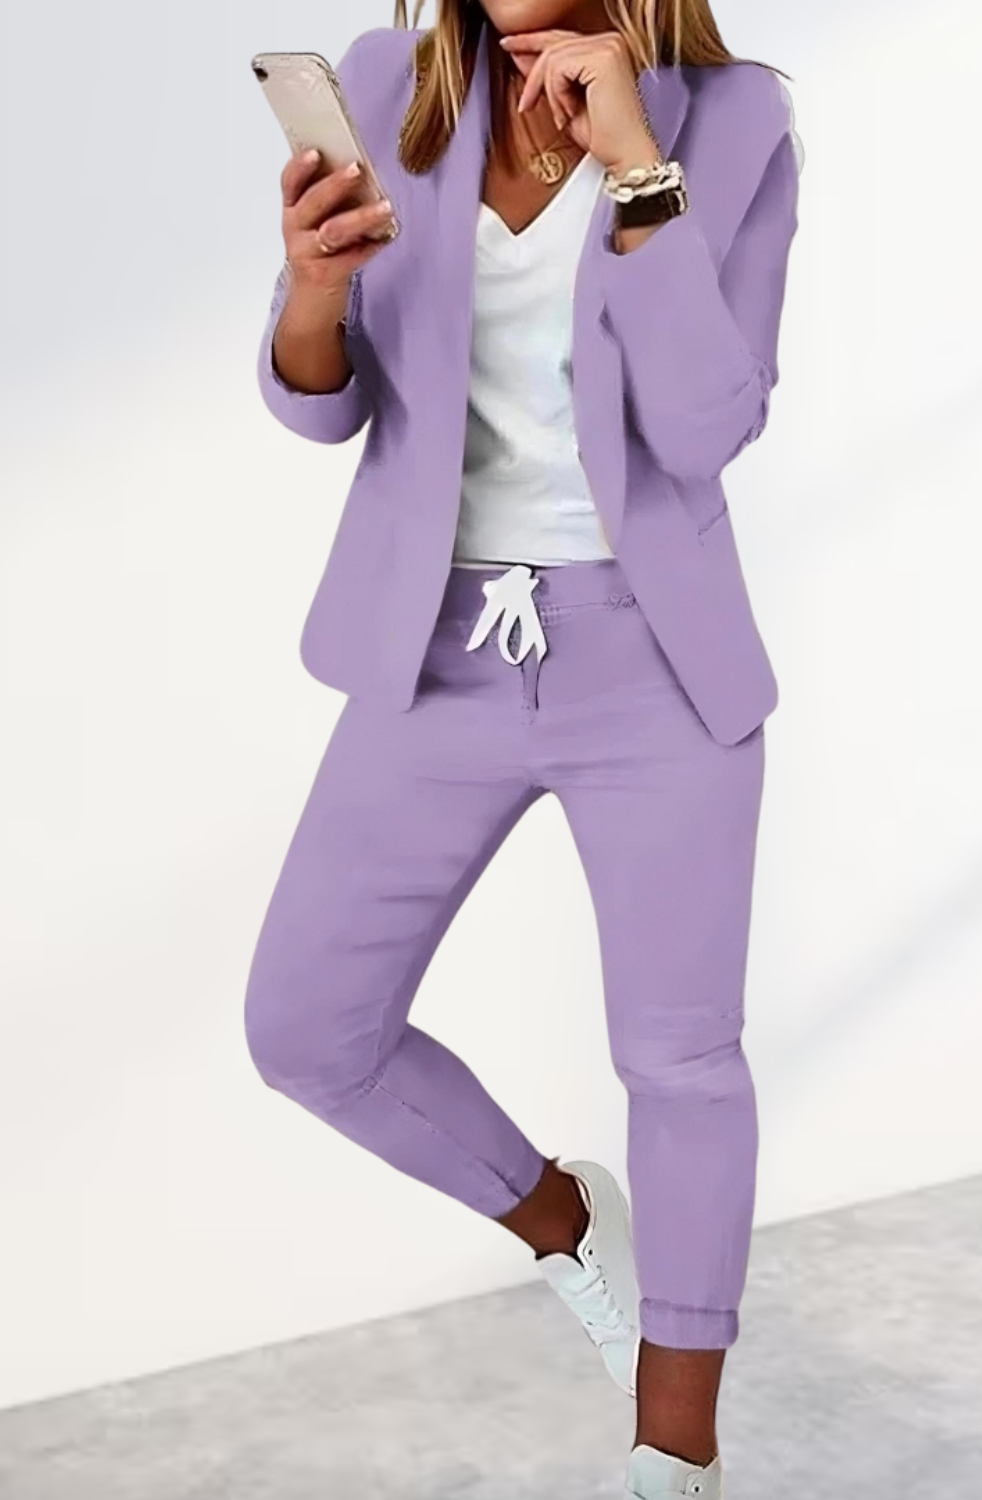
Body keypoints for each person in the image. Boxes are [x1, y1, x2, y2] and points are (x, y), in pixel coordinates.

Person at [245, 2, 801, 1493]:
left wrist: (639, 175)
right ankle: (563, 1219)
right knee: (306, 1029)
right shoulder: (390, 85)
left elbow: (706, 426)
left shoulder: (735, 117)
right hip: (433, 651)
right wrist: (313, 290)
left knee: (680, 1060)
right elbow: (322, 403)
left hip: (653, 663)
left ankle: (675, 1455)